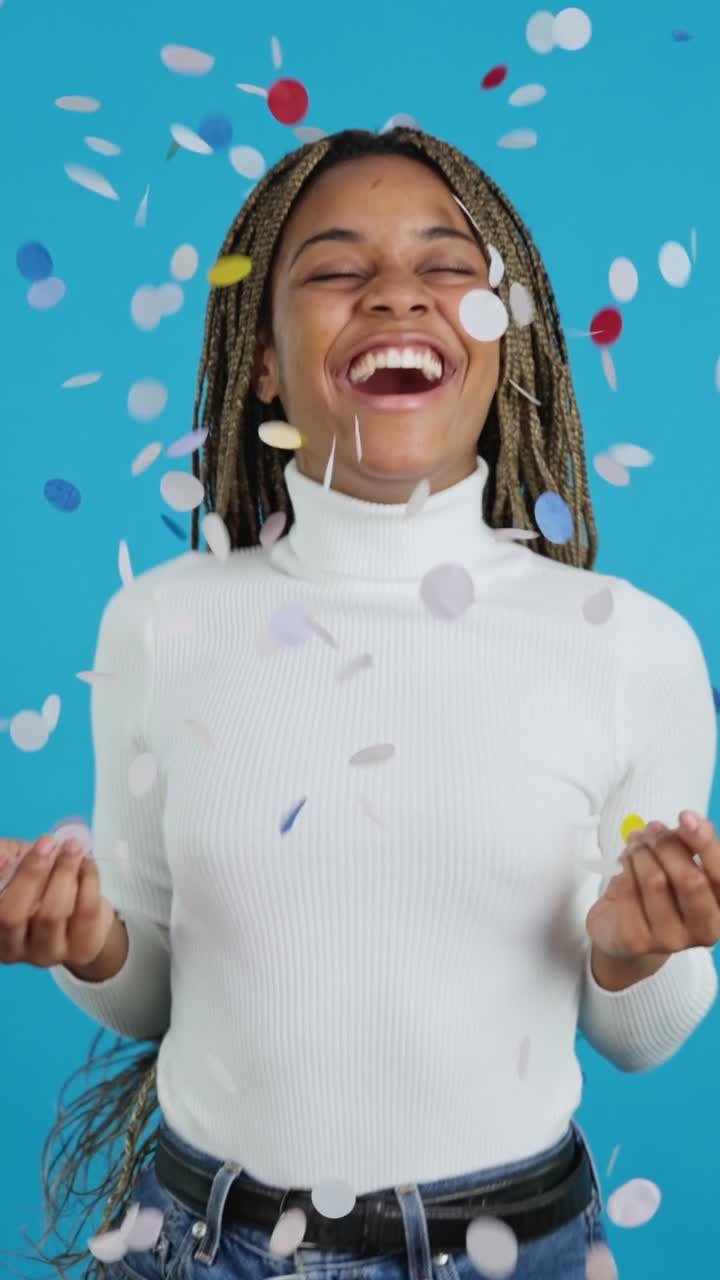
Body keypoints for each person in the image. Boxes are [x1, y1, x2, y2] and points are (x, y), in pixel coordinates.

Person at [1, 126, 718, 1280]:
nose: (396, 293)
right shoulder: (159, 625)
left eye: (448, 268)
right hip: (201, 1244)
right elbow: (148, 991)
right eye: (336, 269)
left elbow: (645, 1035)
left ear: (500, 340)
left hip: (514, 1248)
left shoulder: (633, 646)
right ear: (265, 360)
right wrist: (83, 942)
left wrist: (637, 954)